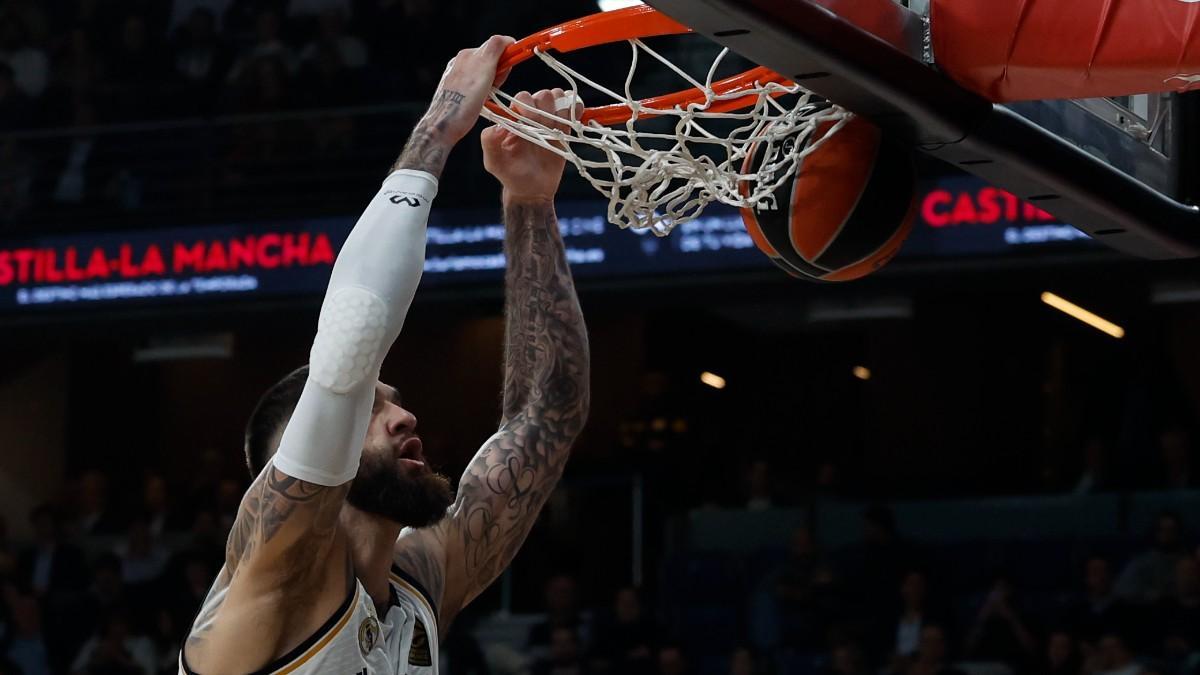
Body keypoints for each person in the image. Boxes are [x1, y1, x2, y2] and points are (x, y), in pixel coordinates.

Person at [180, 35, 591, 673]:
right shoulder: (275, 574)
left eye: (392, 404)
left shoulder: (419, 583)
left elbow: (547, 416)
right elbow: (350, 345)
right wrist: (440, 126)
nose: (404, 418)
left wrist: (530, 201)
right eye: (374, 410)